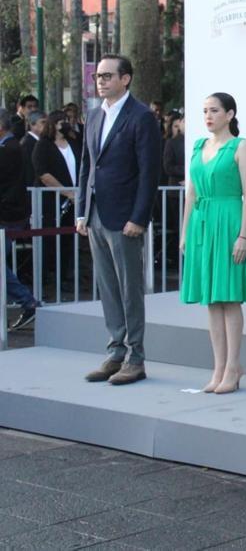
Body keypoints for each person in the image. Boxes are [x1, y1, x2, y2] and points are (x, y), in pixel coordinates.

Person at [76, 54, 162, 386]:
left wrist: (139, 217)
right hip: (97, 213)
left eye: (108, 75)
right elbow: (88, 165)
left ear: (125, 79)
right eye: (98, 76)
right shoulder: (95, 115)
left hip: (126, 217)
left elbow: (148, 173)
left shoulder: (141, 117)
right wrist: (83, 210)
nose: (101, 81)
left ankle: (135, 357)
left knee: (130, 289)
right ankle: (115, 352)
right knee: (108, 288)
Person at [180, 93, 246, 394]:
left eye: (214, 110)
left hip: (228, 222)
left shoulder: (241, 147)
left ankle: (233, 366)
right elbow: (191, 193)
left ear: (229, 114)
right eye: (205, 111)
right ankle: (219, 367)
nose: (208, 116)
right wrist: (185, 231)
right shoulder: (199, 146)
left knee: (229, 297)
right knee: (212, 300)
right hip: (203, 224)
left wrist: (243, 235)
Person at [0, 108, 39, 330]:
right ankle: (27, 302)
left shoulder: (9, 149)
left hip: (7, 216)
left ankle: (28, 302)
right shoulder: (12, 146)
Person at [32, 111, 81, 284]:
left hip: (73, 200)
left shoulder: (74, 143)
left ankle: (66, 274)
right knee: (50, 239)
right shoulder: (43, 145)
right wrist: (67, 193)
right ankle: (48, 276)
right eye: (61, 121)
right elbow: (44, 174)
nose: (65, 124)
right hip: (52, 201)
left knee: (68, 239)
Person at [20, 111, 47, 188]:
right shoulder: (27, 144)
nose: (47, 125)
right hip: (33, 190)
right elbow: (29, 171)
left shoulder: (37, 142)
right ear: (32, 124)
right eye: (43, 122)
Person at [163, 112, 186, 186]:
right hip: (176, 190)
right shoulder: (171, 143)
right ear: (180, 123)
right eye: (184, 121)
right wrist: (187, 170)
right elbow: (168, 167)